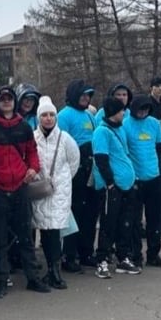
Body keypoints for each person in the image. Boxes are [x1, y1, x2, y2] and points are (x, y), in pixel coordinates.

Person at [0, 85, 51, 294]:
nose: (7, 102)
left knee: (25, 236)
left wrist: (33, 168)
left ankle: (32, 277)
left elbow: (32, 152)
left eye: (9, 98)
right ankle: (1, 279)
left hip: (20, 186)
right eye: (3, 99)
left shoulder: (23, 126)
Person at [30, 96, 80, 289]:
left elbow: (74, 161)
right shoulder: (33, 138)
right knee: (45, 230)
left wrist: (62, 180)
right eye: (44, 115)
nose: (48, 118)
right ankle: (51, 270)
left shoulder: (65, 139)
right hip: (40, 190)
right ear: (39, 118)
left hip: (59, 191)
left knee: (55, 231)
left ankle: (55, 271)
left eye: (51, 114)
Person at [91, 96, 140, 278]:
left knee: (125, 223)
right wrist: (110, 183)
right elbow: (101, 159)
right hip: (112, 187)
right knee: (108, 224)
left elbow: (124, 154)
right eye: (121, 110)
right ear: (113, 112)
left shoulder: (120, 129)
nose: (124, 113)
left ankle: (123, 256)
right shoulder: (101, 132)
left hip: (126, 185)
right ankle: (102, 259)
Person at [57, 79, 100, 272]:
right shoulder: (64, 116)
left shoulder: (90, 116)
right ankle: (69, 255)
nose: (85, 98)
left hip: (92, 169)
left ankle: (86, 252)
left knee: (90, 213)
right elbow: (60, 145)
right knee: (74, 213)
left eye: (88, 95)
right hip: (74, 170)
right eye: (82, 95)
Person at [124, 94, 161, 267]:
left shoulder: (155, 124)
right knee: (135, 220)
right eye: (140, 110)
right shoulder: (126, 124)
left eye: (146, 109)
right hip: (135, 178)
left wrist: (160, 169)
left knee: (155, 219)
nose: (143, 113)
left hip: (154, 177)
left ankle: (153, 253)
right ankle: (135, 253)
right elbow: (125, 151)